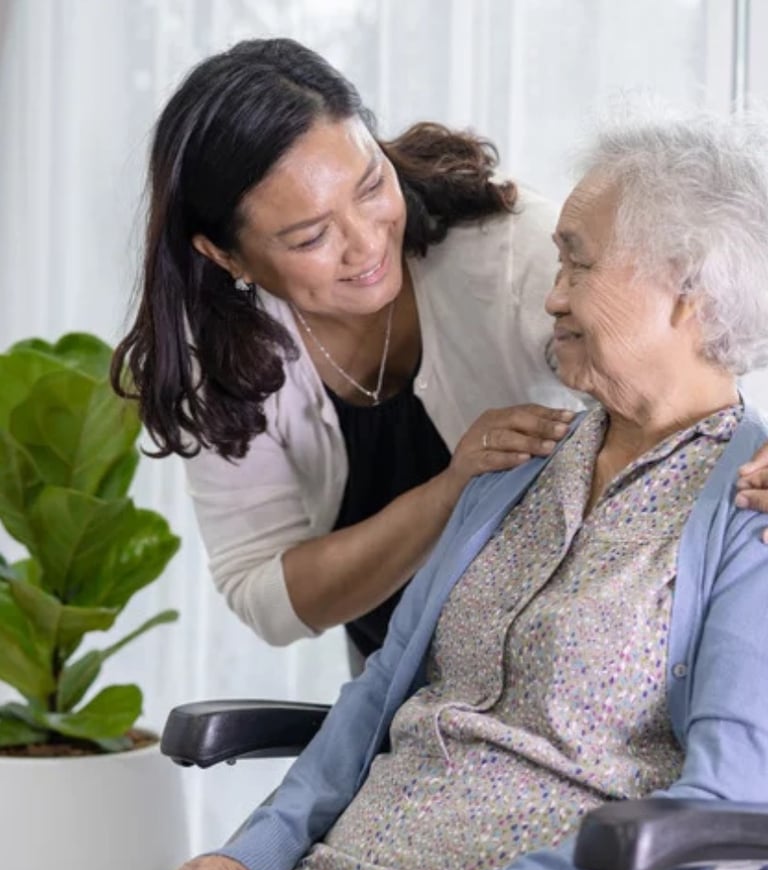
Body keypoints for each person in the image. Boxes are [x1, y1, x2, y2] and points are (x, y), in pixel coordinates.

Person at [104, 109, 768, 870]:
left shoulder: (750, 514)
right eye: (557, 257)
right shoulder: (516, 464)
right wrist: (255, 853)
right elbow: (381, 691)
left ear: (691, 292)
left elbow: (728, 802)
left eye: (577, 263)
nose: (552, 293)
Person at [110, 36, 587, 665]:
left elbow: (667, 381)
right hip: (402, 703)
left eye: (369, 187)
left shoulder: (510, 252)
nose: (366, 244)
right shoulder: (222, 358)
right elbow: (265, 593)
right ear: (225, 256)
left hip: (563, 671)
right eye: (311, 236)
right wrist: (450, 492)